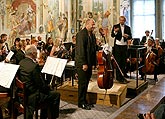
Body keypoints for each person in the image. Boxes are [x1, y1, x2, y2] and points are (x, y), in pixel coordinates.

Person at [17, 45, 60, 119]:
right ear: (33, 54)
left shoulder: (21, 63)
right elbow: (40, 85)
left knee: (47, 92)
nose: (37, 54)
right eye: (36, 52)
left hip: (23, 94)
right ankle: (52, 117)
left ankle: (44, 116)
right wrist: (48, 87)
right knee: (56, 95)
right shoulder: (34, 66)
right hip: (32, 96)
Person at [75, 18, 97, 110]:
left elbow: (93, 48)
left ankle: (84, 100)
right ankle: (81, 102)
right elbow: (80, 50)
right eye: (92, 24)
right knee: (82, 84)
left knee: (86, 83)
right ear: (87, 24)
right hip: (82, 64)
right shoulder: (81, 34)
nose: (94, 26)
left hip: (89, 63)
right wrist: (84, 63)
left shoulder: (91, 35)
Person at [111, 16, 132, 83]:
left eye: (123, 20)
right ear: (119, 20)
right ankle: (118, 77)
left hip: (124, 46)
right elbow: (112, 35)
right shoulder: (115, 26)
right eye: (120, 20)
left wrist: (127, 36)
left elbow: (130, 36)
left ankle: (123, 77)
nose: (121, 21)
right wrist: (115, 32)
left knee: (123, 62)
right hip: (117, 45)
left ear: (124, 21)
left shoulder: (128, 28)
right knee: (118, 61)